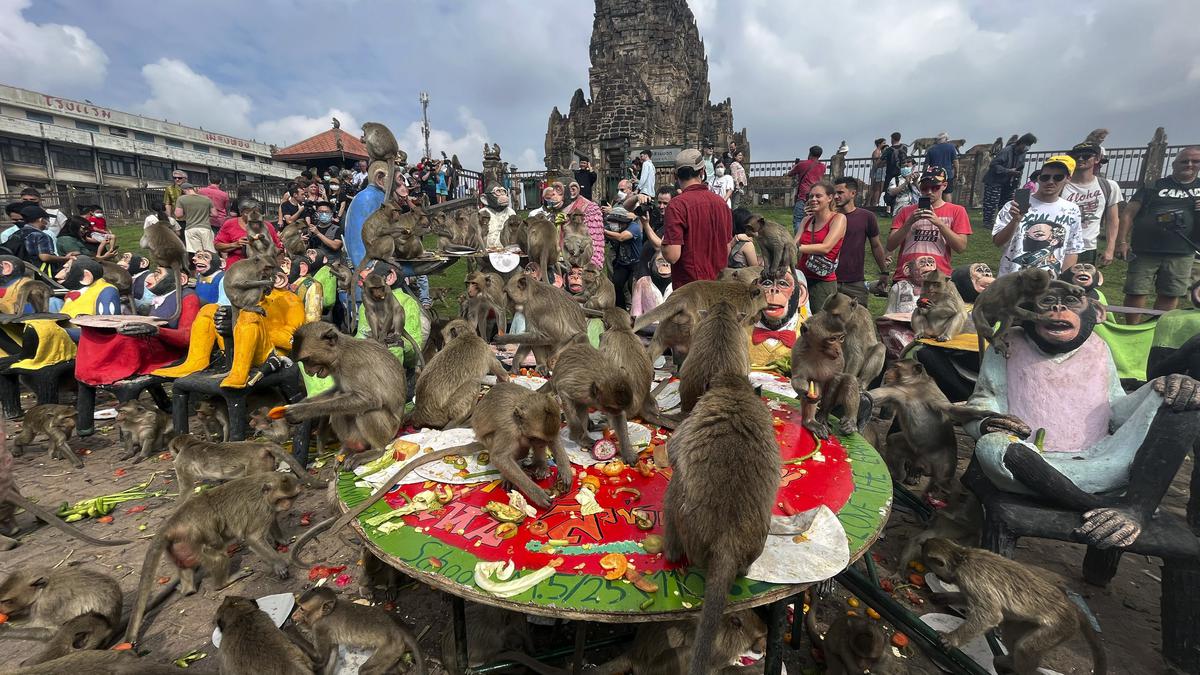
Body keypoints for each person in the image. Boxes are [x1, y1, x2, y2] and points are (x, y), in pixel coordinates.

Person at [1118, 146, 1200, 322]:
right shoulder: (1153, 186)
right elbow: (1128, 213)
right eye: (1184, 161)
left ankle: (1156, 328)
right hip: (1145, 249)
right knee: (1136, 290)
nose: (1190, 165)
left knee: (1171, 292)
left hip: (1183, 250)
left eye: (1195, 161)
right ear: (1174, 164)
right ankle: (1133, 328)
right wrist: (1122, 242)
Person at [992, 155, 1084, 277]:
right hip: (1012, 280)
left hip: (1049, 284)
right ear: (1039, 178)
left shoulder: (1071, 210)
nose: (1050, 182)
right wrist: (1015, 221)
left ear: (1068, 179)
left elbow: (1072, 250)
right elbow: (998, 242)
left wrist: (1063, 281)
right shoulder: (1013, 205)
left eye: (1058, 177)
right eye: (1045, 177)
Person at [887, 167, 972, 282]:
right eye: (925, 188)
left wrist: (939, 224)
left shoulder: (957, 211)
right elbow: (890, 245)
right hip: (906, 277)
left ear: (944, 185)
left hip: (939, 278)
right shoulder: (905, 211)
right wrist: (909, 223)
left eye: (935, 187)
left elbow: (961, 247)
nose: (929, 192)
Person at [661, 149, 731, 287]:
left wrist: (663, 244)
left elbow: (672, 255)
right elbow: (726, 249)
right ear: (702, 171)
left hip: (690, 292)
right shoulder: (721, 203)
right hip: (719, 285)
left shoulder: (677, 205)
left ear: (676, 176)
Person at [1062, 141, 1122, 267]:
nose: (1080, 159)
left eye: (1086, 156)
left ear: (1097, 159)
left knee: (1083, 284)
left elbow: (1113, 220)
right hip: (1060, 245)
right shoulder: (1061, 185)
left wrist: (1110, 249)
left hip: (1088, 248)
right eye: (1076, 156)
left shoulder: (1109, 186)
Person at [833, 177, 888, 304]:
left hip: (855, 281)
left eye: (840, 193)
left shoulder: (867, 217)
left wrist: (884, 271)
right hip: (829, 280)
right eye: (834, 193)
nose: (836, 196)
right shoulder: (829, 217)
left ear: (853, 193)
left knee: (859, 321)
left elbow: (876, 245)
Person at [794, 181, 847, 311]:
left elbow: (826, 247)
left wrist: (796, 248)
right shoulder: (807, 220)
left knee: (820, 323)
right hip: (801, 277)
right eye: (811, 196)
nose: (813, 199)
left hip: (822, 281)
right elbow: (794, 242)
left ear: (829, 198)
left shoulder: (838, 219)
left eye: (818, 196)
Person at [982, 132, 1037, 229]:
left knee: (1006, 203)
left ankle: (1002, 221)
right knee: (991, 202)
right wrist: (1007, 171)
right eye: (1027, 145)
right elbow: (994, 165)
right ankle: (987, 222)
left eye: (1029, 146)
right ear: (1021, 143)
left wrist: (1016, 180)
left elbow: (1020, 168)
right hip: (994, 180)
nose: (1027, 148)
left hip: (1008, 182)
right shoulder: (1006, 151)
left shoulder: (1022, 154)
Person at [214, 199, 283, 266]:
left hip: (263, 266)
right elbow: (217, 245)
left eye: (256, 212)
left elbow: (278, 248)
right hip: (238, 265)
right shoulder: (231, 224)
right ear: (241, 213)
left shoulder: (267, 226)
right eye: (247, 212)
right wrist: (235, 244)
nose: (252, 215)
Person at [604, 205, 642, 309]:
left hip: (635, 264)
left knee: (633, 287)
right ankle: (621, 309)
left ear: (624, 222)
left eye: (616, 222)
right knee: (616, 284)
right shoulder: (612, 229)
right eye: (612, 222)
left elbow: (622, 237)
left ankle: (636, 310)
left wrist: (604, 232)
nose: (614, 224)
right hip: (622, 263)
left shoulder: (634, 227)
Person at [17, 206, 74, 274]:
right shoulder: (41, 235)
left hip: (20, 269)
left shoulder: (17, 233)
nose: (48, 222)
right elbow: (45, 257)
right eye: (47, 220)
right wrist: (65, 258)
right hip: (38, 272)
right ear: (41, 219)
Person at [788, 146, 827, 228]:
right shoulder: (823, 167)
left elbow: (790, 174)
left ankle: (799, 240)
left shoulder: (802, 164)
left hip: (803, 195)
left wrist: (795, 167)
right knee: (814, 219)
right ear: (819, 155)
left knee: (798, 219)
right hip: (816, 196)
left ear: (810, 153)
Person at [175, 183, 216, 255]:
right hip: (205, 228)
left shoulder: (181, 199)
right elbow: (214, 214)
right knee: (209, 252)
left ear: (184, 190)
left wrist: (187, 213)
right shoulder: (206, 199)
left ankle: (199, 265)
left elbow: (178, 215)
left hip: (191, 228)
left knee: (197, 253)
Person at [925, 132, 960, 202]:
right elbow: (955, 162)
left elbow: (926, 165)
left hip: (934, 175)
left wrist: (925, 175)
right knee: (947, 193)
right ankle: (948, 210)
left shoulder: (931, 149)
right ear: (946, 139)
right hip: (947, 174)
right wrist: (956, 173)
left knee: (934, 193)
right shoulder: (951, 147)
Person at [880, 132, 908, 210]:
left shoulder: (889, 150)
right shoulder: (904, 147)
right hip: (903, 172)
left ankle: (888, 209)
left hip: (891, 172)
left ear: (892, 139)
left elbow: (881, 160)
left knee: (888, 191)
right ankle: (901, 206)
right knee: (902, 189)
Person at [868, 138, 886, 208]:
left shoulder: (880, 152)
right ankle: (872, 204)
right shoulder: (877, 152)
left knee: (877, 188)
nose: (884, 144)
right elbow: (876, 164)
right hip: (876, 171)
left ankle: (874, 203)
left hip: (878, 171)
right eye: (883, 143)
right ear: (879, 144)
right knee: (876, 188)